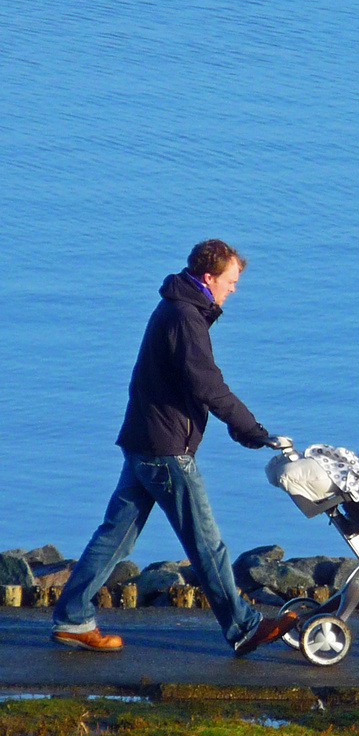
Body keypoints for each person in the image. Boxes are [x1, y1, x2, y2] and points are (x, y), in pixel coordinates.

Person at [51, 239, 294, 657]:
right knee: (206, 544)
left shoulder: (178, 306)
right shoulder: (185, 316)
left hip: (144, 440)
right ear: (208, 277)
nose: (234, 289)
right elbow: (207, 384)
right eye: (231, 281)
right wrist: (253, 431)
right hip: (165, 450)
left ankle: (73, 618)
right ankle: (243, 627)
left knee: (115, 538)